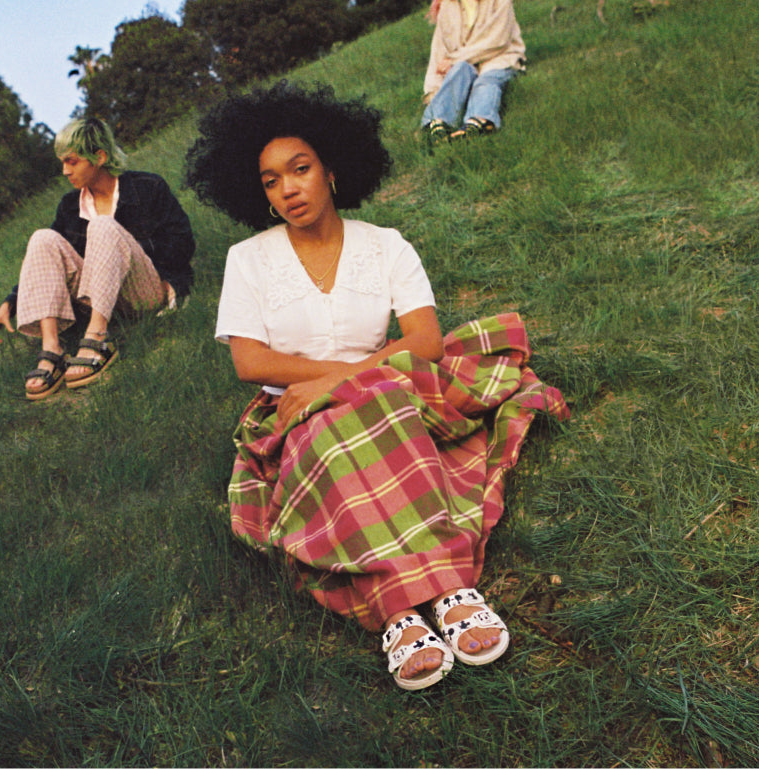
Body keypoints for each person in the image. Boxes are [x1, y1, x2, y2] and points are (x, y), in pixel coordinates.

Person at [184, 81, 568, 691]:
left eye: (300, 169)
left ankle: (426, 601)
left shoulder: (385, 246)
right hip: (299, 411)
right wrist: (331, 390)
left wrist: (339, 378)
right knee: (333, 427)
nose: (287, 188)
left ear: (333, 170)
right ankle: (419, 603)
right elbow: (251, 363)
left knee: (373, 403)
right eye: (270, 180)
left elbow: (425, 342)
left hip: (389, 385)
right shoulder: (247, 259)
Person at [0, 116, 195, 399]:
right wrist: (9, 304)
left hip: (146, 290)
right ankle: (52, 348)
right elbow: (50, 264)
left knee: (103, 226)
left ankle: (97, 338)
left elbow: (183, 243)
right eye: (62, 162)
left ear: (99, 156)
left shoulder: (148, 188)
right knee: (43, 238)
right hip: (98, 299)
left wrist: (124, 250)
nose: (64, 170)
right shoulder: (70, 207)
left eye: (71, 161)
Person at [420, 0, 525, 143]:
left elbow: (498, 39)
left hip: (498, 57)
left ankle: (479, 122)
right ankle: (436, 124)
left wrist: (456, 58)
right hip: (465, 65)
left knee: (488, 78)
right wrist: (432, 90)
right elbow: (438, 50)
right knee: (459, 71)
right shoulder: (447, 5)